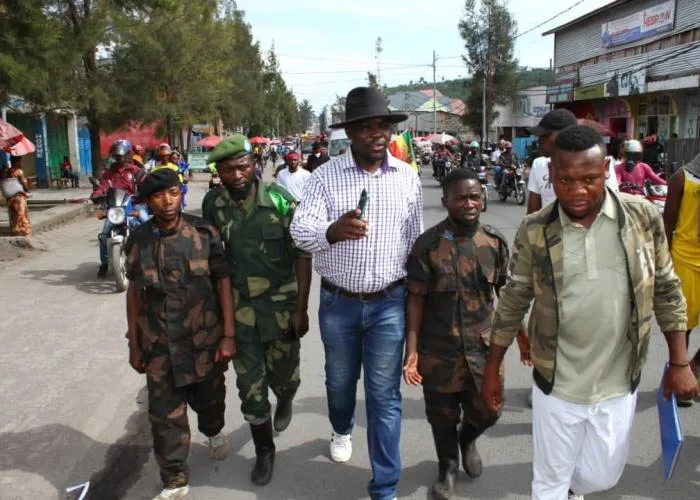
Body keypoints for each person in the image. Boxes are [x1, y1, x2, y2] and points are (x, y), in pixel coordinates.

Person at [482, 125, 698, 499]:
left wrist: (679, 362)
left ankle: (572, 489)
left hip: (618, 381)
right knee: (549, 480)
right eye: (565, 179)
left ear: (607, 170)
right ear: (550, 175)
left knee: (602, 478)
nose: (577, 190)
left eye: (589, 179)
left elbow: (666, 288)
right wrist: (493, 369)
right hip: (557, 383)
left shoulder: (642, 218)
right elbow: (515, 298)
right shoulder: (536, 229)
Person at [290, 86, 423, 500]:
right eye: (365, 127)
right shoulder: (324, 178)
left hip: (389, 303)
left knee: (384, 394)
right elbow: (299, 232)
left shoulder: (408, 178)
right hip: (338, 304)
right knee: (340, 383)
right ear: (350, 133)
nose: (375, 134)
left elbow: (416, 242)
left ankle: (384, 487)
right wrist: (331, 232)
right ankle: (341, 428)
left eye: (381, 125)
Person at [202, 134, 312, 486]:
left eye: (242, 166)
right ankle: (265, 450)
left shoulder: (280, 201)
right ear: (219, 171)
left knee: (287, 377)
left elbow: (302, 256)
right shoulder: (212, 205)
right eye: (228, 169)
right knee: (250, 388)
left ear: (254, 165)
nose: (236, 175)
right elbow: (213, 260)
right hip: (239, 312)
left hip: (281, 309)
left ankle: (286, 397)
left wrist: (301, 309)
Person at [124, 169, 234, 500]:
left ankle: (213, 431)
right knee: (164, 414)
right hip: (160, 344)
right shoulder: (138, 241)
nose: (167, 201)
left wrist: (229, 335)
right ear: (147, 201)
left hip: (204, 341)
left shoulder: (204, 233)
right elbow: (135, 293)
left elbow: (223, 282)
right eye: (158, 196)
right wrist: (134, 341)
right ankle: (174, 478)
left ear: (180, 193)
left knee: (210, 402)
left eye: (173, 193)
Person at [403, 168, 509, 500]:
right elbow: (416, 299)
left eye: (474, 196)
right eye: (460, 197)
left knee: (490, 410)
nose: (468, 203)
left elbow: (509, 295)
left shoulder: (493, 242)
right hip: (440, 350)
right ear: (446, 200)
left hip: (483, 348)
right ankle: (447, 466)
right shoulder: (428, 245)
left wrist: (520, 334)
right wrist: (413, 351)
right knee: (441, 415)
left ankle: (468, 438)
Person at [664, 151, 700, 407]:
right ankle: (680, 376)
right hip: (685, 261)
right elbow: (667, 225)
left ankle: (694, 368)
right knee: (682, 325)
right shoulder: (683, 179)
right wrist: (663, 264)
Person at [90, 140, 143, 277]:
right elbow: (102, 187)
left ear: (127, 155)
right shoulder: (109, 173)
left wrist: (144, 192)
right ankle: (104, 263)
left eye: (120, 155)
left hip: (131, 203)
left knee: (145, 222)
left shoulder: (134, 170)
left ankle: (151, 257)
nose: (118, 158)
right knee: (105, 233)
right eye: (116, 155)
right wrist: (96, 194)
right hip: (115, 207)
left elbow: (144, 183)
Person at [0, 155, 32, 236]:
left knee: (13, 216)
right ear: (17, 162)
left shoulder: (4, 171)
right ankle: (24, 234)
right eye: (20, 161)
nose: (22, 163)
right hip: (18, 197)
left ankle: (14, 233)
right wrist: (28, 190)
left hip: (9, 198)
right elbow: (24, 185)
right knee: (21, 216)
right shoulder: (18, 171)